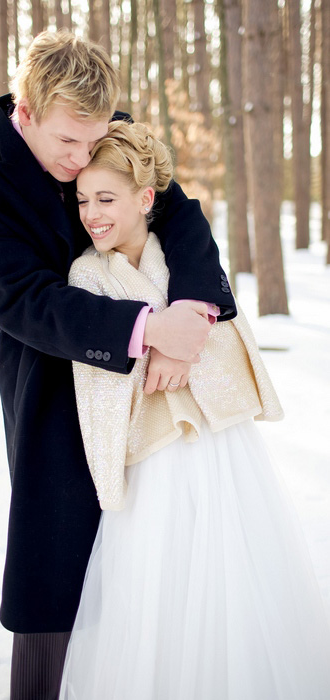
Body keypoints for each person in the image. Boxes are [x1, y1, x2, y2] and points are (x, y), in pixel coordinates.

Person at [0, 31, 236, 699]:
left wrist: (191, 311)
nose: (79, 157)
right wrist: (148, 329)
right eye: (66, 142)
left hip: (160, 389)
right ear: (26, 111)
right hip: (55, 387)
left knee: (165, 560)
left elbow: (178, 217)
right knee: (56, 569)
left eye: (90, 142)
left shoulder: (102, 130)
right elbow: (25, 302)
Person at [59, 120, 330, 699]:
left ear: (145, 198)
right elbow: (96, 380)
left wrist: (186, 351)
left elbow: (225, 336)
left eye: (106, 198)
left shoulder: (181, 259)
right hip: (153, 455)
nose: (91, 213)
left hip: (216, 444)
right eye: (82, 200)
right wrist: (155, 348)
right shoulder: (87, 272)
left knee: (231, 569)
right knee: (162, 580)